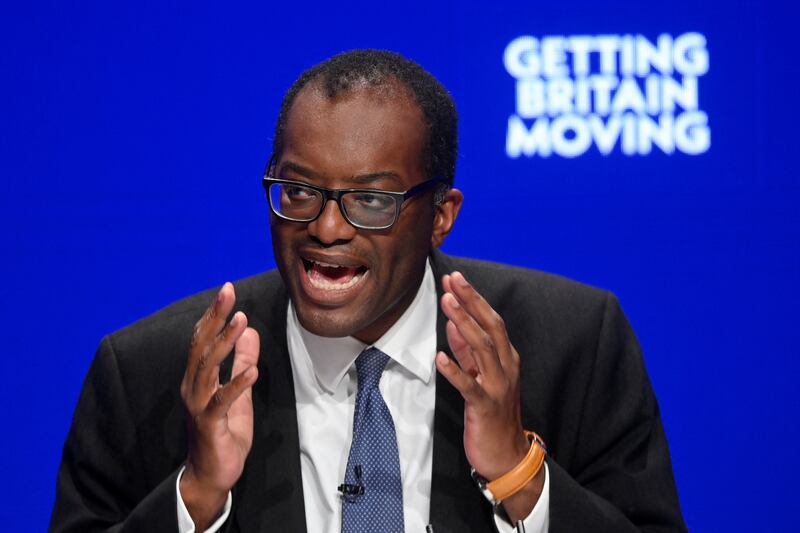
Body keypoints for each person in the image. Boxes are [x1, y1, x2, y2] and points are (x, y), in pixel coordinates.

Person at [51, 50, 687, 533]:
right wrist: (196, 496)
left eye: (372, 200)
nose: (326, 228)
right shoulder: (149, 372)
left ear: (441, 214)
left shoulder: (574, 343)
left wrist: (520, 476)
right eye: (299, 191)